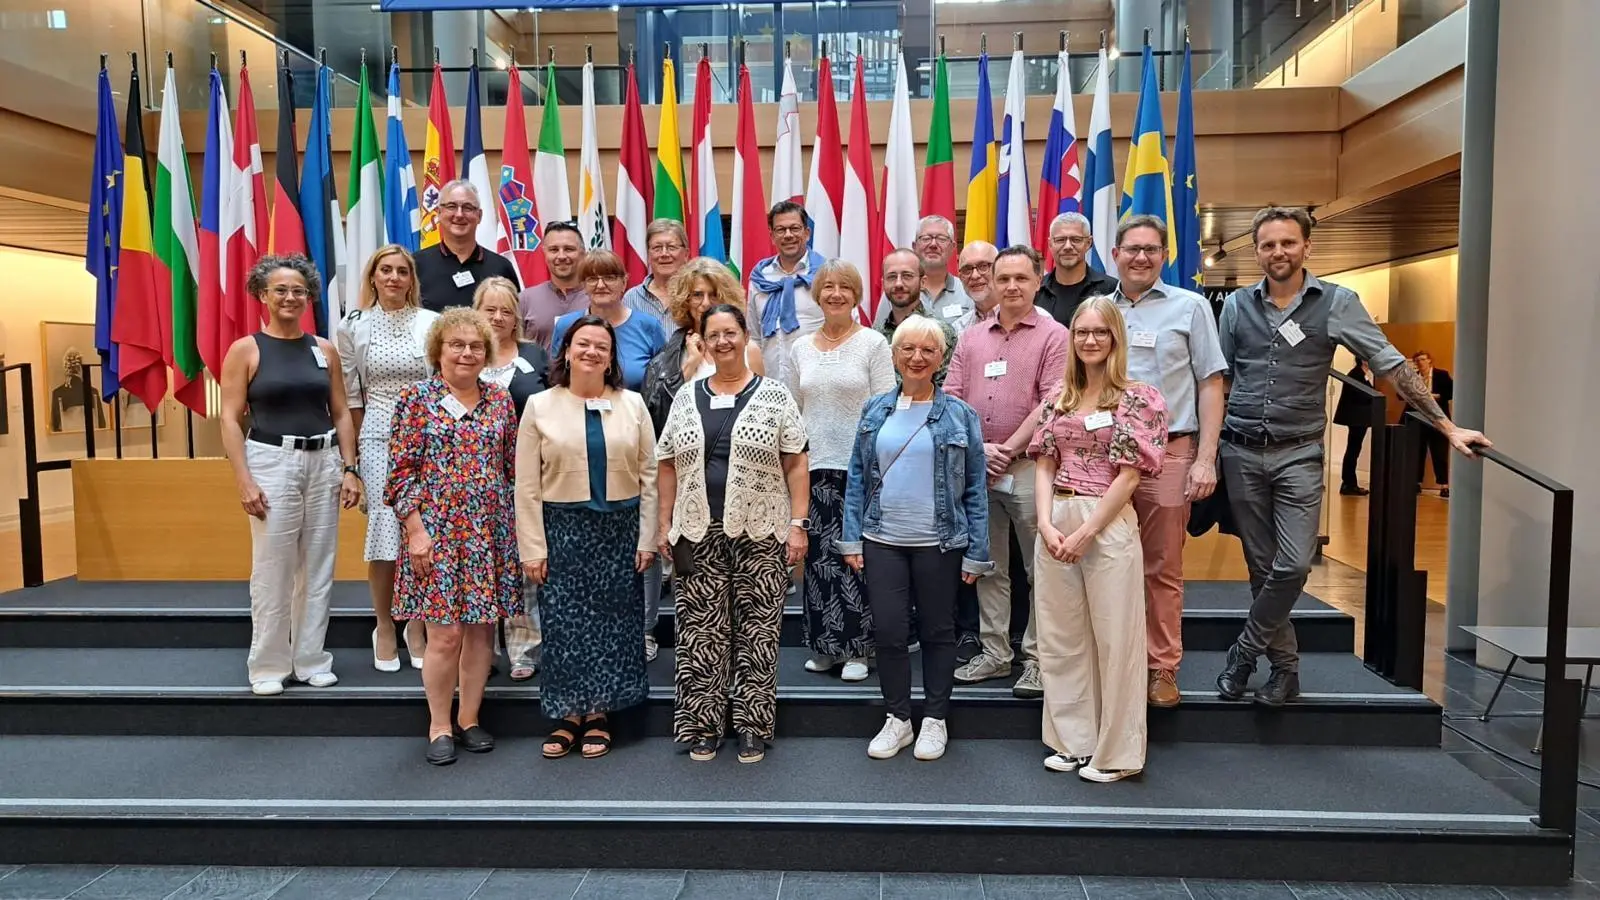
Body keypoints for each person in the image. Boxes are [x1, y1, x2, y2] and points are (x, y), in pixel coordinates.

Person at [1215, 206, 1490, 705]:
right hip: (1240, 452)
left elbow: (1392, 365)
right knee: (1261, 568)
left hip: (1298, 455)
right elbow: (1224, 380)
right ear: (1256, 251)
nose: (1278, 252)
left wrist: (1446, 426)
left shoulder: (1338, 303)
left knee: (1293, 566)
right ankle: (1284, 671)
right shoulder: (1236, 306)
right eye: (1268, 244)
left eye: (1288, 242)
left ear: (1307, 246)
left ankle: (1243, 652)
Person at [655, 303, 809, 764]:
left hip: (762, 531)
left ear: (745, 337)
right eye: (713, 335)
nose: (722, 342)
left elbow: (796, 462)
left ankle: (752, 727)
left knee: (758, 632)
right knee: (700, 635)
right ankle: (704, 727)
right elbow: (667, 463)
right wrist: (664, 522)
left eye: (731, 332)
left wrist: (797, 525)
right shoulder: (686, 397)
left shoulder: (775, 396)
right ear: (702, 342)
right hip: (696, 532)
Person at [839, 316, 991, 761]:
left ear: (941, 358)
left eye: (928, 350)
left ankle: (935, 719)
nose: (917, 358)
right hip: (881, 540)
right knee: (888, 632)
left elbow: (975, 489)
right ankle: (898, 719)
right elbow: (856, 478)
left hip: (940, 544)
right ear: (894, 355)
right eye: (908, 349)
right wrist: (851, 539)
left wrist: (977, 552)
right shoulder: (874, 410)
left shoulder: (961, 415)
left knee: (938, 631)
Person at [1029, 296, 1168, 783]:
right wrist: (1045, 523)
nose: (1090, 340)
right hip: (1057, 517)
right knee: (1061, 637)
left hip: (1105, 521)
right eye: (1082, 332)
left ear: (1115, 338)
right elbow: (1044, 463)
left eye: (1100, 332)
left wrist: (1087, 532)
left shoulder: (1138, 398)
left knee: (1116, 638)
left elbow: (1130, 477)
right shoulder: (1059, 398)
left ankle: (1116, 753)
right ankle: (1073, 741)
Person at [516, 315, 658, 760]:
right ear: (566, 351)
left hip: (620, 531)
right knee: (565, 626)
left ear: (611, 358)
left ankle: (599, 713)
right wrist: (533, 548)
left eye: (602, 346)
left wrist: (647, 538)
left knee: (613, 626)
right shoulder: (540, 406)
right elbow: (526, 485)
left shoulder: (633, 404)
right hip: (563, 530)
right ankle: (569, 713)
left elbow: (650, 476)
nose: (592, 352)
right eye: (583, 344)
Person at [220, 254, 362, 695]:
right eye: (280, 290)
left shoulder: (324, 349)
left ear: (309, 297)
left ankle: (311, 659)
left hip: (324, 461)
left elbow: (341, 412)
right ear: (263, 295)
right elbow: (229, 418)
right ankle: (268, 665)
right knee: (273, 567)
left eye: (299, 291)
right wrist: (244, 479)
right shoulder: (246, 350)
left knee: (318, 566)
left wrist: (350, 468)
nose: (290, 297)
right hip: (271, 461)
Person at [386, 308, 523, 765]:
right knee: (444, 635)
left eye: (476, 346)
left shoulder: (500, 400)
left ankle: (469, 718)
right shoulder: (415, 398)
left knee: (482, 633)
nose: (467, 353)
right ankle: (439, 725)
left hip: (488, 532)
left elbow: (511, 468)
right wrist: (415, 531)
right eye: (457, 345)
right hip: (435, 533)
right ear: (438, 350)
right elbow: (400, 474)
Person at [1110, 214, 1227, 709]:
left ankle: (1162, 666)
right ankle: (1116, 662)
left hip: (1170, 450)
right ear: (1115, 254)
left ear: (1165, 255)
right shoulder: (1101, 311)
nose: (1141, 257)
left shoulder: (1191, 307)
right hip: (1106, 456)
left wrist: (1205, 459)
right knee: (1108, 561)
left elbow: (1211, 384)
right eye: (1132, 249)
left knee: (1161, 564)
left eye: (1151, 249)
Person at [944, 245, 1069, 698]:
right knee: (989, 565)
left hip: (1032, 468)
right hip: (979, 471)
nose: (1012, 286)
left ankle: (1036, 659)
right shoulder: (971, 338)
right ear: (993, 284)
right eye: (1004, 278)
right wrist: (982, 450)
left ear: (1038, 281)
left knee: (1041, 570)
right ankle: (995, 653)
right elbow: (951, 397)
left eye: (1021, 278)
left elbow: (1053, 400)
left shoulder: (1055, 336)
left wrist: (1009, 448)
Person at [786, 260, 896, 682]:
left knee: (857, 559)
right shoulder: (800, 348)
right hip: (813, 469)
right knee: (818, 560)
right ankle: (825, 647)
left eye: (844, 287)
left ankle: (859, 649)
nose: (835, 294)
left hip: (860, 471)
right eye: (828, 287)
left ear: (856, 295)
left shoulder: (873, 344)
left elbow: (886, 407)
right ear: (817, 295)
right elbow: (793, 411)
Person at [336, 245, 440, 672]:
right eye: (386, 270)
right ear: (373, 277)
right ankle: (384, 624)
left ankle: (416, 623)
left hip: (427, 436)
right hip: (378, 433)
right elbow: (351, 396)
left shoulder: (431, 322)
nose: (394, 277)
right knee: (385, 531)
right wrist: (356, 459)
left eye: (402, 271)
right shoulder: (353, 326)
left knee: (423, 530)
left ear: (411, 279)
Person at [474, 277, 550, 681]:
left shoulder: (533, 354)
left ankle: (523, 649)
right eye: (490, 309)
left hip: (526, 475)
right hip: (474, 477)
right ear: (476, 311)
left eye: (507, 310)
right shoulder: (467, 353)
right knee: (480, 563)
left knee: (523, 564)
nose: (499, 318)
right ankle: (481, 650)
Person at [551, 249, 666, 392]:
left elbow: (662, 382)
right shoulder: (566, 325)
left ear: (624, 283)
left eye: (609, 278)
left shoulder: (649, 326)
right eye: (592, 279)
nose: (600, 285)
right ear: (584, 285)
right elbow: (557, 378)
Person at [748, 200, 826, 386]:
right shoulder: (760, 279)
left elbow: (845, 330)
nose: (788, 235)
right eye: (781, 230)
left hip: (817, 384)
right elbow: (754, 337)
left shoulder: (827, 275)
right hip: (770, 385)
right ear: (772, 236)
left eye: (795, 228)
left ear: (807, 233)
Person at [415, 180, 519, 313]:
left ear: (479, 216)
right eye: (451, 206)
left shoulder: (501, 267)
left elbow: (513, 317)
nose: (459, 214)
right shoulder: (416, 264)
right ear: (439, 213)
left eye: (468, 207)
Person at [879, 249, 958, 386]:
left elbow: (945, 389)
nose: (898, 283)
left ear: (923, 282)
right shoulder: (876, 336)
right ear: (883, 283)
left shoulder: (941, 333)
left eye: (907, 276)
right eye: (891, 277)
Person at [518, 221, 590, 348]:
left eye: (569, 249)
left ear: (583, 253)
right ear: (544, 253)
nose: (561, 256)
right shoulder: (525, 300)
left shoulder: (596, 297)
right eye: (554, 250)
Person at [1037, 213, 1118, 325]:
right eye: (1060, 240)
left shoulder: (1112, 288)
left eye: (1076, 239)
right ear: (1050, 244)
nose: (1068, 247)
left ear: (1088, 243)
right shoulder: (1036, 290)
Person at [623, 219, 692, 338]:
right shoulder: (632, 298)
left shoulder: (697, 295)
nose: (664, 254)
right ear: (648, 255)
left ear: (686, 254)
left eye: (671, 247)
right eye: (657, 248)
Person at [914, 215, 972, 327]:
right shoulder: (900, 290)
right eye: (926, 238)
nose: (933, 244)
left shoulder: (967, 291)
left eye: (941, 239)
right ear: (914, 246)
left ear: (953, 247)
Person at [1411, 351, 1454, 497]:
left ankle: (1444, 485)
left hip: (1437, 420)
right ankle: (1416, 483)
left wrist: (1437, 396)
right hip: (1418, 419)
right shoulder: (1413, 377)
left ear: (1429, 361)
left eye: (1423, 359)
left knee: (1440, 453)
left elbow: (1451, 392)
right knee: (1417, 452)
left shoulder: (1441, 375)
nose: (1420, 362)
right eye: (1417, 360)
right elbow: (1400, 394)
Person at [1333, 361, 1373, 496]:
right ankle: (1349, 483)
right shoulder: (1356, 374)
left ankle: (1349, 483)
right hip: (1356, 419)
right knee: (1353, 450)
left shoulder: (1361, 374)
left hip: (1359, 418)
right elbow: (1360, 395)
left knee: (1354, 449)